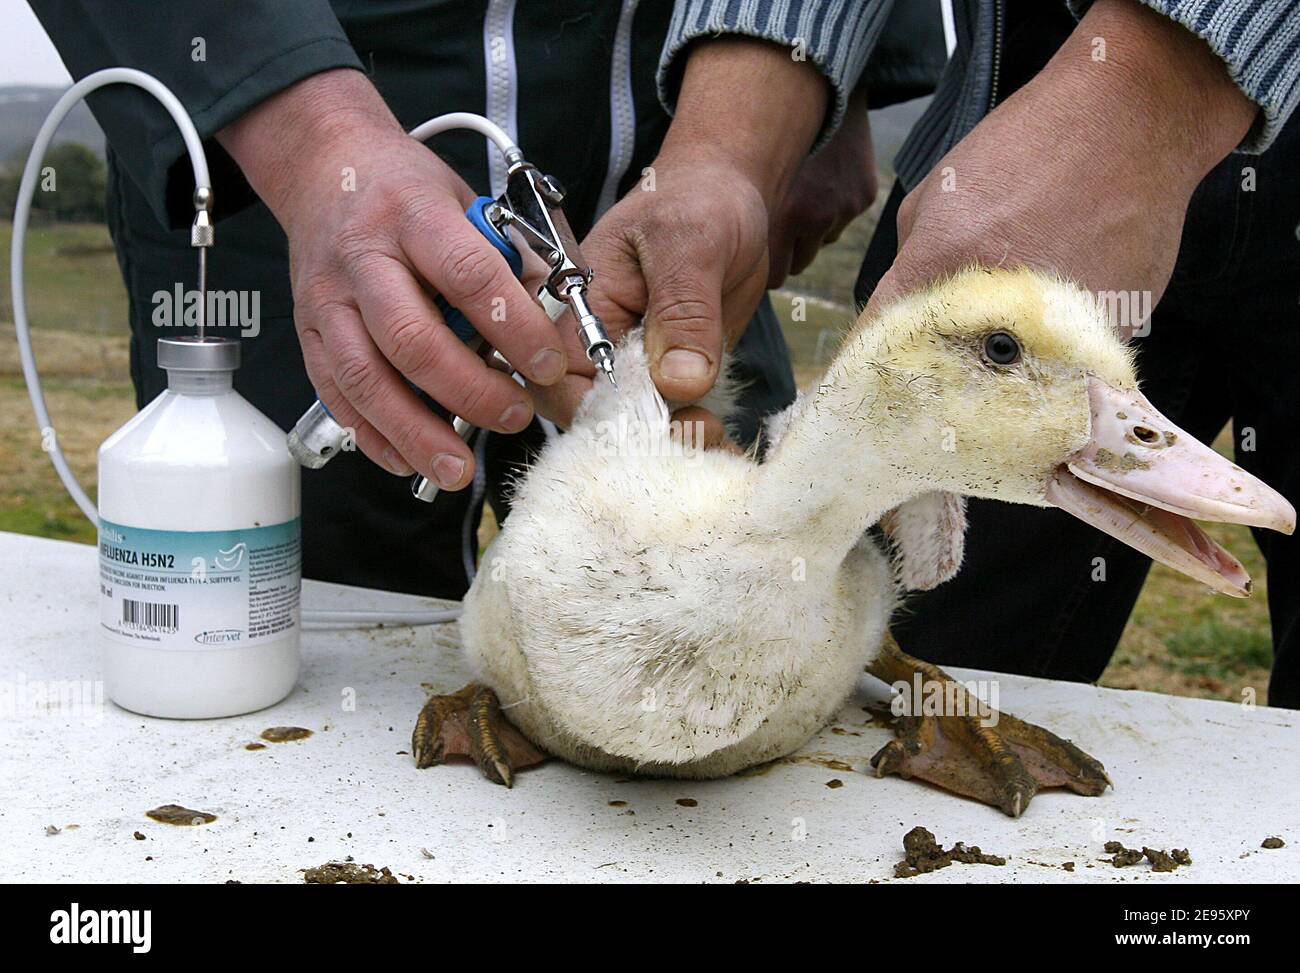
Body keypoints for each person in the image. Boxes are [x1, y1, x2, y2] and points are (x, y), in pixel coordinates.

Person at [29, 0, 913, 597]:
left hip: (687, 184)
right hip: (272, 174)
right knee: (291, 614)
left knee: (730, 589)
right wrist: (307, 139)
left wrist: (763, 118)